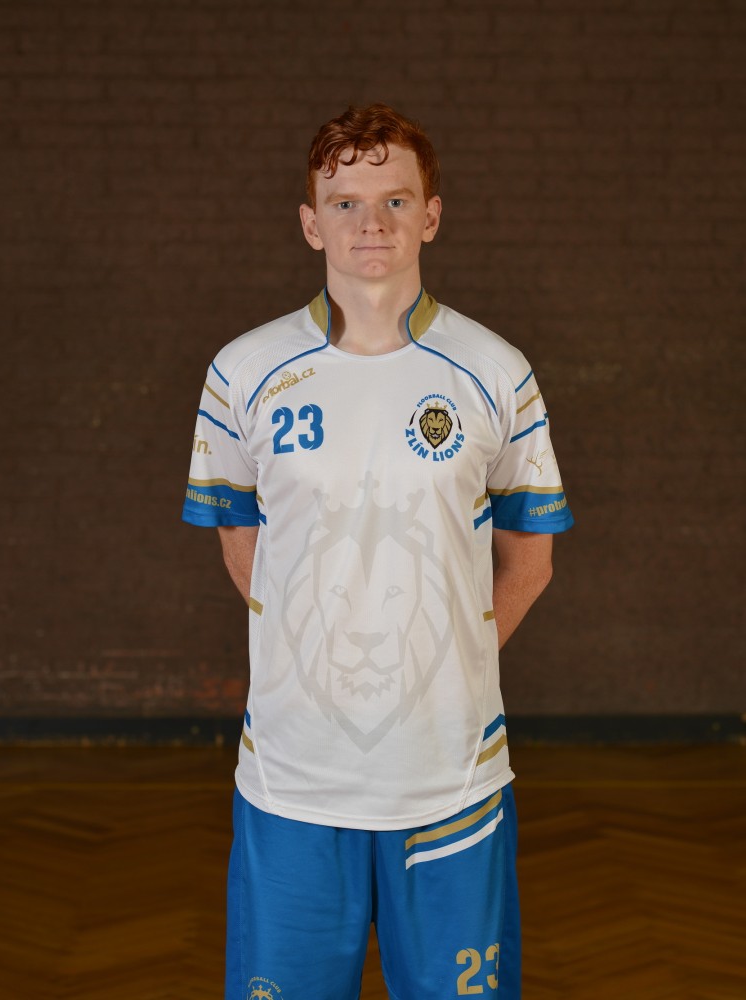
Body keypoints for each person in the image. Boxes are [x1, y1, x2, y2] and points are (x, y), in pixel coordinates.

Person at [183, 103, 573, 1000]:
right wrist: (316, 655)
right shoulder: (242, 371)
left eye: (395, 201)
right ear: (310, 222)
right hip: (292, 778)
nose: (372, 223)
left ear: (430, 216)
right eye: (346, 203)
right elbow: (246, 542)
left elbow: (531, 561)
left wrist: (443, 664)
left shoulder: (496, 370)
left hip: (449, 778)